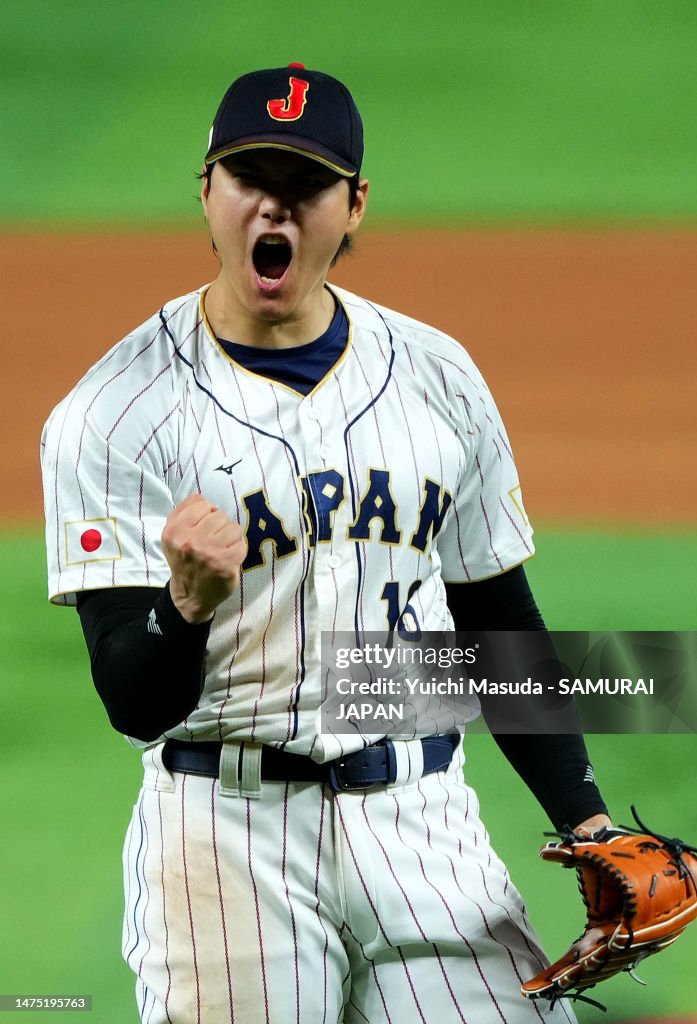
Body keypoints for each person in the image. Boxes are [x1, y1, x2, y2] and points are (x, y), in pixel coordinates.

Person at [41, 63, 612, 1024]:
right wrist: (181, 606)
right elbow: (133, 703)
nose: (275, 206)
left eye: (305, 186)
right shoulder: (114, 413)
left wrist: (585, 817)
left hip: (422, 825)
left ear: (353, 207)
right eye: (248, 177)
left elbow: (493, 617)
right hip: (223, 840)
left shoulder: (437, 374)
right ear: (208, 194)